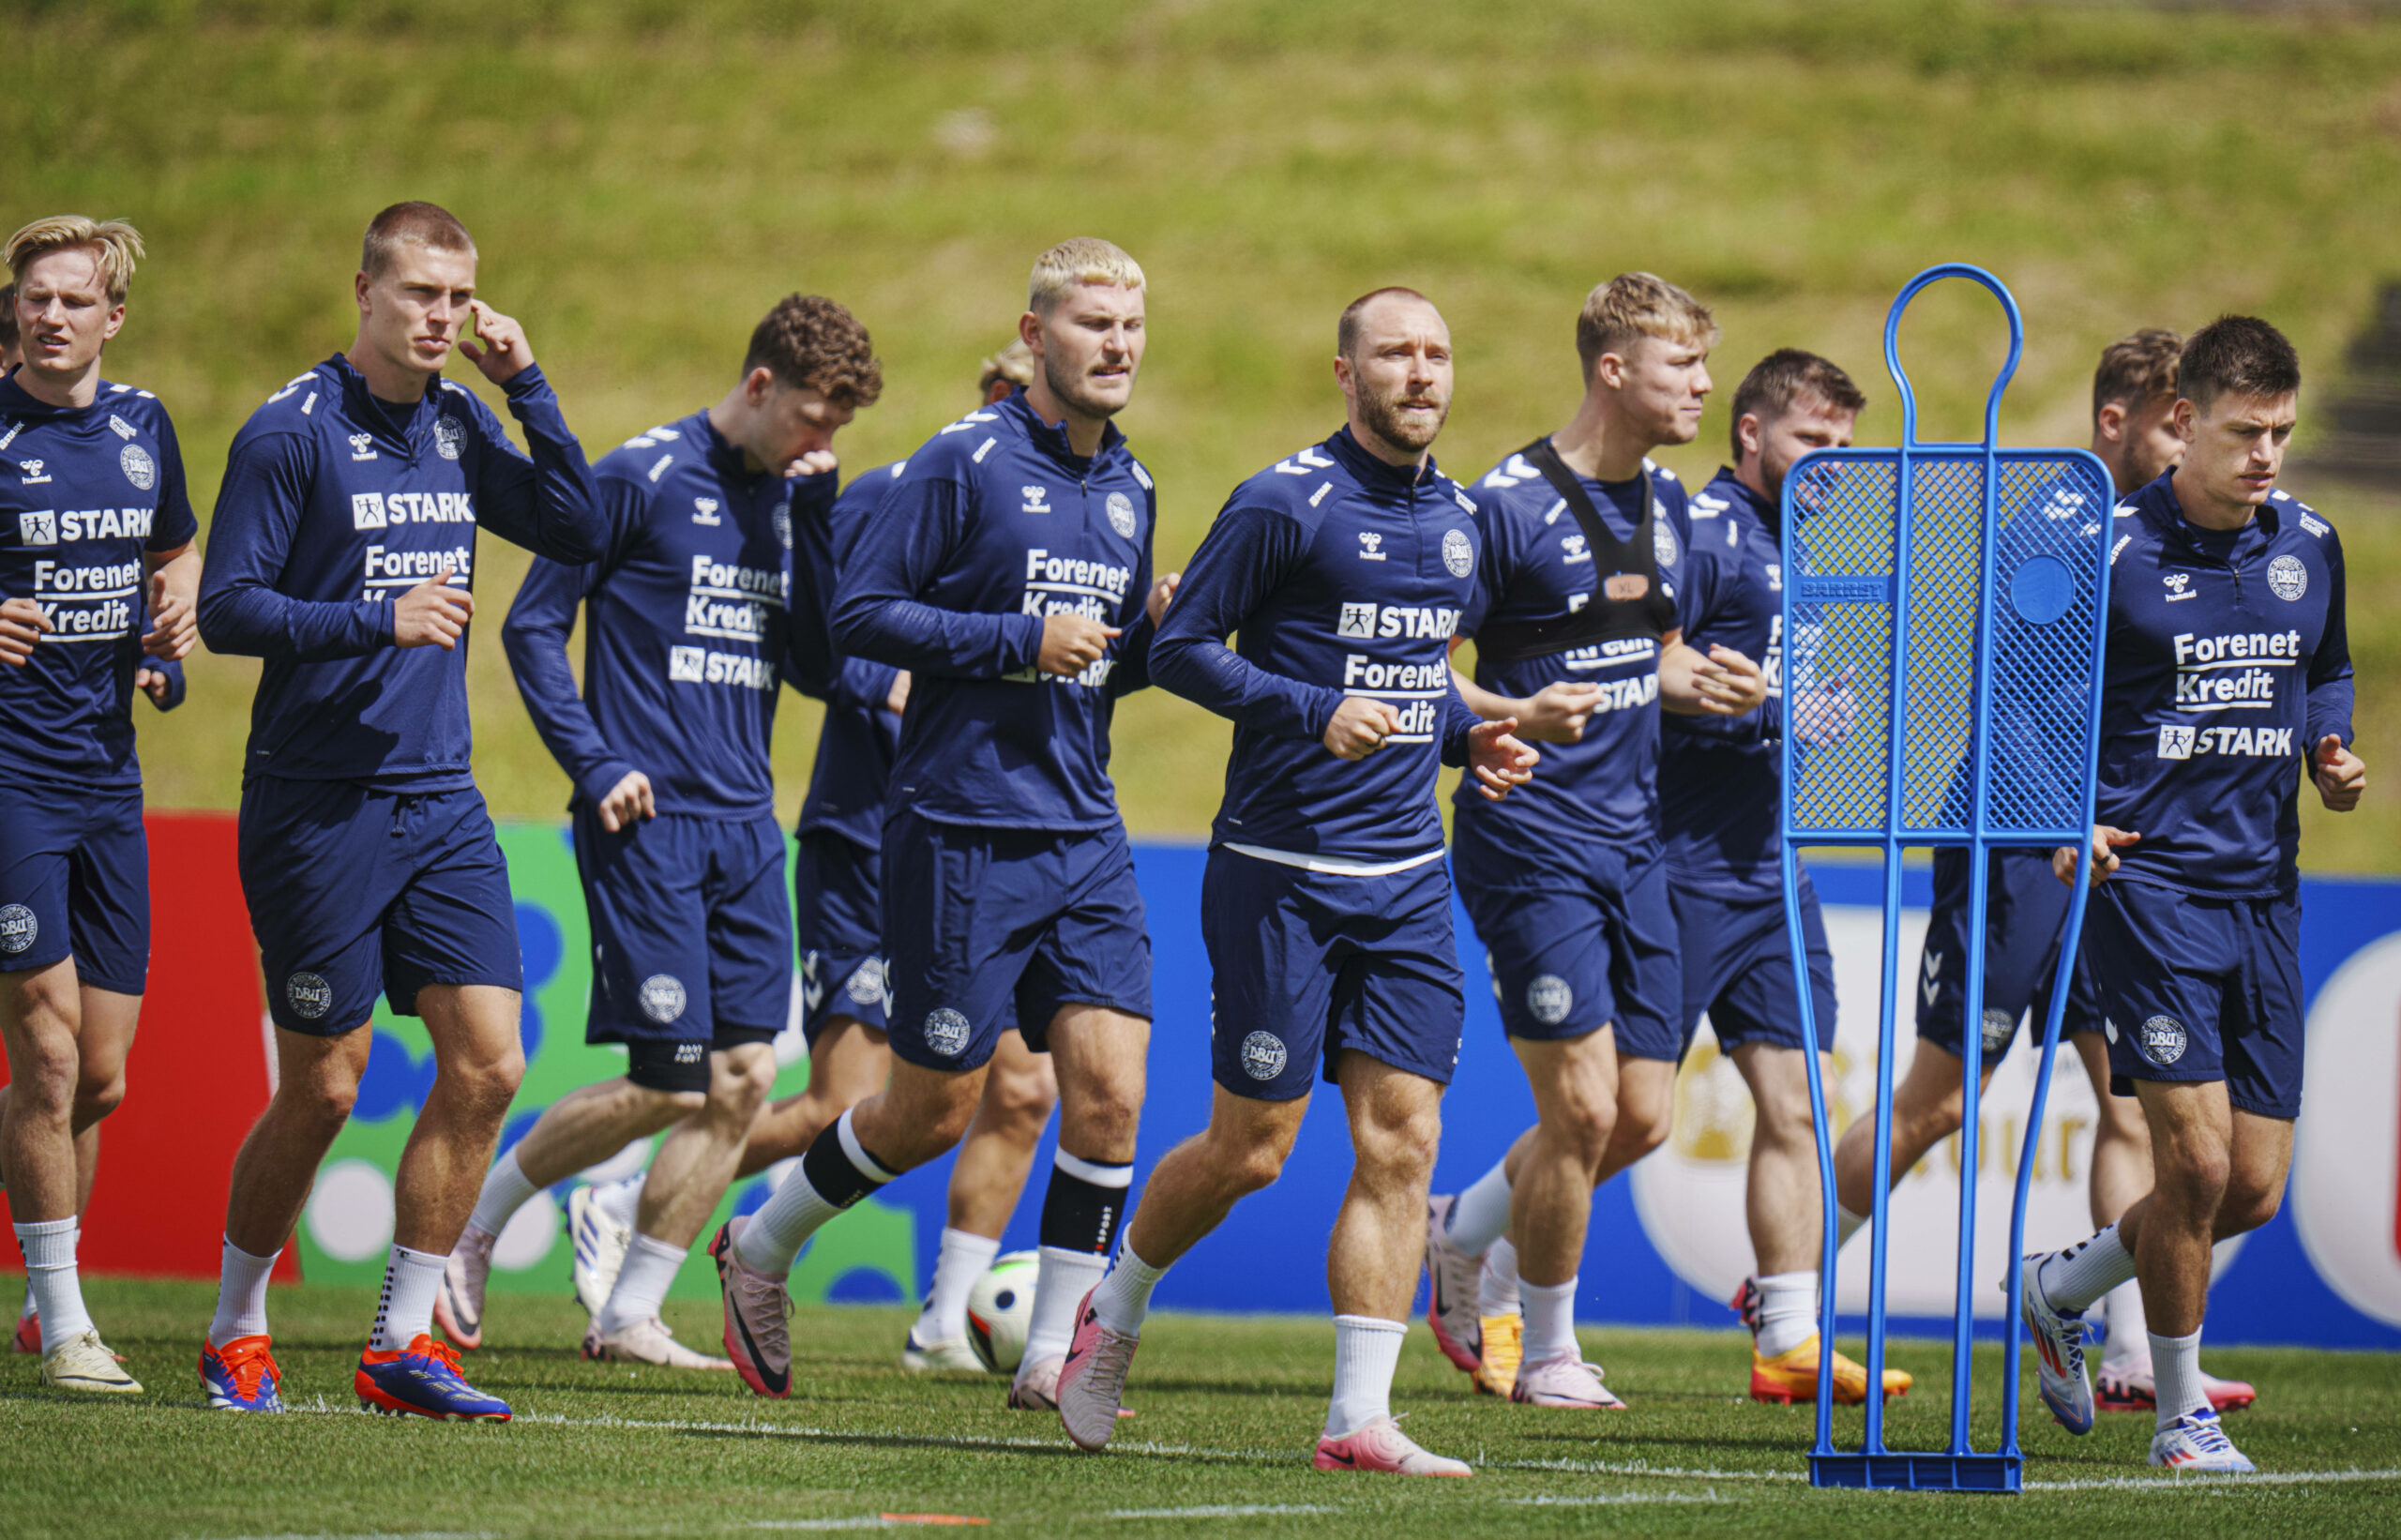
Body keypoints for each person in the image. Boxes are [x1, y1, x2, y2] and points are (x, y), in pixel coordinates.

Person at [1051, 286, 1537, 1476]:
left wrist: (1472, 741)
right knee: (1252, 1148)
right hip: (1278, 874)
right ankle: (1111, 1309)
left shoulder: (1468, 522)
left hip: (1409, 880)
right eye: (1393, 355)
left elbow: (1414, 675)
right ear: (1344, 372)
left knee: (1402, 1143)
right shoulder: (1283, 501)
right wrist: (1309, 712)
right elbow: (1174, 650)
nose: (1419, 374)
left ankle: (1357, 1418)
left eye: (1436, 354)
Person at [713, 239, 1172, 1413]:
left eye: (1131, 324)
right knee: (928, 1109)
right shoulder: (957, 463)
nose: (1116, 344)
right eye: (1091, 323)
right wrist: (1018, 642)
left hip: (1084, 830)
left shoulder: (1133, 486)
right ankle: (759, 1247)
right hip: (959, 828)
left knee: (1111, 1091)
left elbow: (1099, 669)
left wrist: (1150, 637)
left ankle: (1055, 1354)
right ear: (1032, 335)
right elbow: (858, 620)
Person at [194, 201, 606, 1418]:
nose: (442, 317)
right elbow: (229, 611)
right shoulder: (290, 434)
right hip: (314, 805)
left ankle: (401, 1338)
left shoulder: (461, 422)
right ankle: (234, 1327)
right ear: (363, 290)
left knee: (489, 1061)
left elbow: (577, 527)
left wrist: (528, 386)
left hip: (440, 797)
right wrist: (377, 618)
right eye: (420, 293)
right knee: (325, 1085)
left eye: (459, 297)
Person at [430, 295, 883, 1367]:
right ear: (761, 385)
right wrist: (592, 763)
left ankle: (630, 1309)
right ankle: (472, 1230)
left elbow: (818, 670)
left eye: (839, 432)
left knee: (739, 1085)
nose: (823, 446)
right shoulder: (638, 476)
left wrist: (816, 521)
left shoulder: (793, 500)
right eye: (814, 420)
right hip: (647, 824)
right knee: (670, 1081)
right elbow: (533, 623)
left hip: (745, 829)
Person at [1824, 328, 2254, 1412]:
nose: (2186, 443)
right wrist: (2059, 817)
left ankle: (2120, 1343)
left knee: (2131, 1097)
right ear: (2114, 423)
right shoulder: (2062, 525)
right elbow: (2003, 698)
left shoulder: (2165, 538)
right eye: (2171, 423)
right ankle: (1784, 1284)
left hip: (2111, 846)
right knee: (1941, 1100)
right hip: (2016, 840)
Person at [1422, 275, 1767, 1408]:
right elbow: (1431, 666)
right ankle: (1551, 1347)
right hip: (1530, 840)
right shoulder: (1504, 506)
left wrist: (1696, 677)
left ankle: (1463, 1230)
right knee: (1577, 1109)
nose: (1704, 388)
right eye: (1683, 368)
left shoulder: (1671, 504)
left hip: (1637, 840)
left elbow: (1641, 650)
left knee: (1643, 1115)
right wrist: (1507, 721)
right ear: (1613, 371)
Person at [2027, 315, 2359, 1473]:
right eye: (2243, 431)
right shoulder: (2105, 550)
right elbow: (2021, 697)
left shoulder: (2308, 542)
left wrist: (2331, 749)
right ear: (2183, 424)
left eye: (2279, 431)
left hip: (2265, 891)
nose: (2266, 453)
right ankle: (2178, 1415)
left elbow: (2327, 668)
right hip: (2144, 887)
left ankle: (2062, 1285)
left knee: (2252, 1192)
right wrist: (2059, 820)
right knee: (2197, 1167)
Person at [1657, 349, 1915, 1405]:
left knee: (1798, 1103)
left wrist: (1821, 715)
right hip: (1672, 863)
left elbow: (1794, 694)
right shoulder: (1696, 532)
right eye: (1816, 442)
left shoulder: (1813, 545)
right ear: (1751, 433)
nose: (1834, 465)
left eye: (1848, 449)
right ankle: (1479, 1241)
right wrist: (1769, 708)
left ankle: (1789, 1340)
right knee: (1618, 1115)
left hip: (1776, 864)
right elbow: (1646, 672)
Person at [0, 216, 201, 1393]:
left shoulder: (143, 425)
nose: (50, 315)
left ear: (110, 318)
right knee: (48, 1045)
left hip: (107, 777)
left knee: (105, 1072)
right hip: (12, 774)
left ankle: (44, 1289)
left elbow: (173, 551)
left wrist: (167, 629)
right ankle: (64, 1321)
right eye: (34, 296)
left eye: (73, 300)